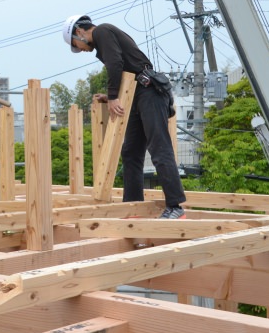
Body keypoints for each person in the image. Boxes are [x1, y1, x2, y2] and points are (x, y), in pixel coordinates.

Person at [62, 14, 186, 219]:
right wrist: (111, 96)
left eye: (77, 45)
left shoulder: (102, 31)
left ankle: (175, 206)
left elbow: (115, 64)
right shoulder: (105, 37)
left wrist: (113, 97)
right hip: (137, 94)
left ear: (78, 32)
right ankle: (132, 206)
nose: (81, 49)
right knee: (130, 152)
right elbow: (126, 68)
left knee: (159, 147)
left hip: (149, 93)